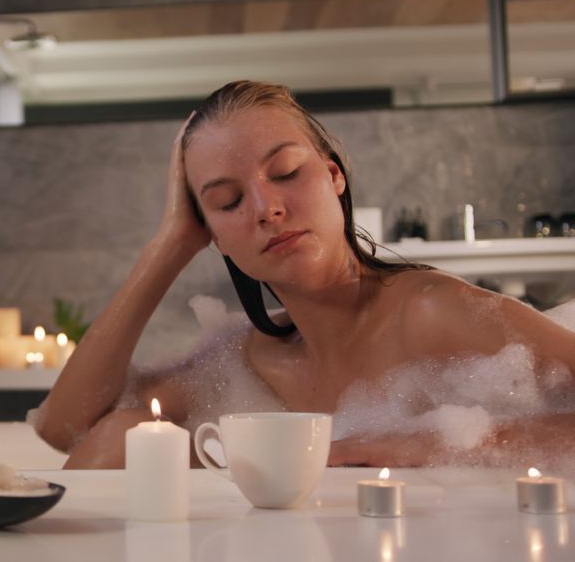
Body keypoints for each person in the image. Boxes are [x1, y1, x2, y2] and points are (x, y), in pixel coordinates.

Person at [32, 81, 575, 470]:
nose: (267, 208)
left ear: (334, 175)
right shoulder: (246, 361)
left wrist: (445, 442)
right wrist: (170, 243)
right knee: (122, 437)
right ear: (214, 236)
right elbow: (67, 430)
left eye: (287, 172)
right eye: (227, 201)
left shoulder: (429, 310)